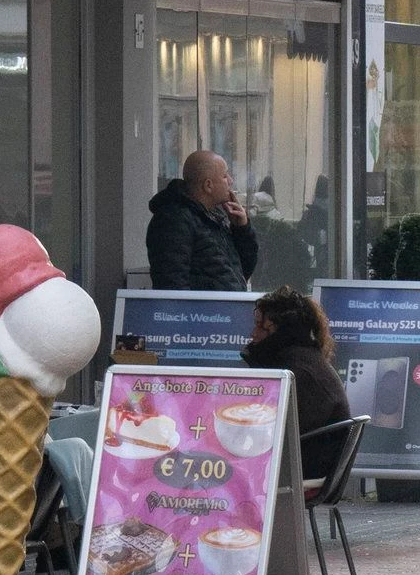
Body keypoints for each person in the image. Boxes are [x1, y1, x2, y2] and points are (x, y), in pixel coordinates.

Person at [243, 286, 356, 482]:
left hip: (304, 467)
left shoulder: (296, 373)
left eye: (262, 327)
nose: (254, 333)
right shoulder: (303, 359)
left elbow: (274, 432)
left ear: (282, 331)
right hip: (311, 460)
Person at [146, 150, 258, 291]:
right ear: (208, 185)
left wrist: (242, 229)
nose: (230, 181)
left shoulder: (214, 217)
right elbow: (172, 284)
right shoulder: (174, 220)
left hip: (225, 310)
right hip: (204, 312)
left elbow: (240, 272)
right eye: (225, 176)